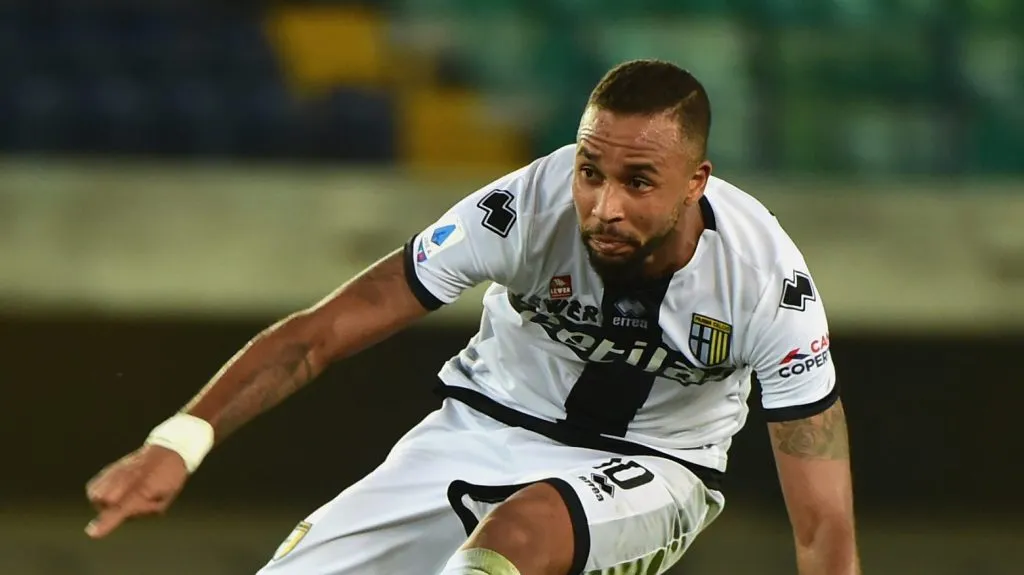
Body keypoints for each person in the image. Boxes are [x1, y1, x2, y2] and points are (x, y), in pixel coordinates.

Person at [85, 59, 860, 575]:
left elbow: (823, 521)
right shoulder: (518, 209)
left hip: (657, 463)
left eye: (638, 181)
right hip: (479, 427)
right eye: (590, 171)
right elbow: (323, 333)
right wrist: (181, 440)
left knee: (512, 540)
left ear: (696, 182)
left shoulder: (767, 283)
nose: (603, 206)